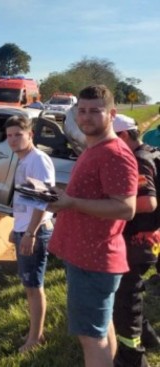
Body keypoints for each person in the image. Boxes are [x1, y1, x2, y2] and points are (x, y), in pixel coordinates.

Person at [47, 85, 139, 367]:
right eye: (81, 111)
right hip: (87, 257)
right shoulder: (94, 147)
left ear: (111, 114)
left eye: (94, 111)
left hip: (94, 260)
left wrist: (71, 203)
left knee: (91, 337)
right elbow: (92, 194)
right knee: (102, 328)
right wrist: (63, 196)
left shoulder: (114, 154)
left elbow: (126, 208)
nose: (85, 118)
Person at [111, 114, 160, 367]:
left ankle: (132, 357)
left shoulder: (138, 160)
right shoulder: (152, 152)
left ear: (124, 136)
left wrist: (113, 205)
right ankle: (150, 338)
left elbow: (147, 202)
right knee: (134, 289)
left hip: (137, 241)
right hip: (150, 238)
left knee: (126, 299)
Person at [5, 114, 55, 353]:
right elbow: (26, 199)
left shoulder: (38, 160)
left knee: (34, 287)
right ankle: (35, 332)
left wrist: (30, 233)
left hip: (34, 231)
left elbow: (42, 201)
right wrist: (16, 230)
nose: (13, 140)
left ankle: (35, 339)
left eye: (18, 135)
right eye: (9, 136)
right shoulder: (25, 159)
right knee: (30, 285)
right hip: (23, 229)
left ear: (30, 135)